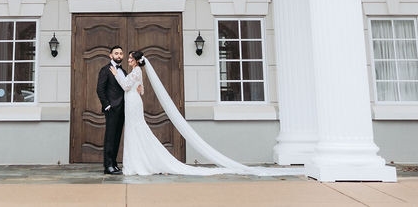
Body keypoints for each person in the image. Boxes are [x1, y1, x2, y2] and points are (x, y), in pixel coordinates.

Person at [110, 50, 302, 177]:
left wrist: (116, 74)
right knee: (137, 131)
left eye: (129, 58)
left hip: (133, 103)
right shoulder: (137, 72)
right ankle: (139, 163)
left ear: (135, 60)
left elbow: (127, 85)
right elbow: (141, 90)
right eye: (127, 58)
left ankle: (138, 164)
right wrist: (135, 88)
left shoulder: (134, 72)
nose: (127, 60)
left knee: (137, 130)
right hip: (134, 101)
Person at [96, 45, 126, 175]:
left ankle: (114, 163)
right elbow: (100, 89)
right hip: (112, 109)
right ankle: (108, 166)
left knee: (117, 137)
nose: (119, 55)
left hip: (123, 109)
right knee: (110, 137)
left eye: (120, 53)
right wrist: (107, 106)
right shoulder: (105, 70)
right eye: (116, 53)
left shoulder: (123, 71)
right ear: (111, 55)